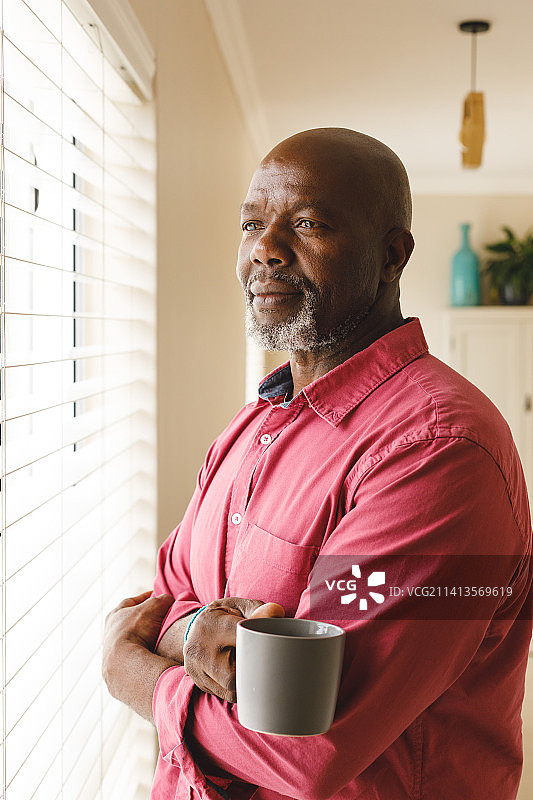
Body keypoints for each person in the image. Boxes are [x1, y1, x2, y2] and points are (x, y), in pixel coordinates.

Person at [102, 128, 533, 800]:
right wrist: (194, 633)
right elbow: (160, 598)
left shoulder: (440, 452)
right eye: (252, 224)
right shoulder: (253, 425)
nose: (265, 249)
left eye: (307, 224)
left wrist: (133, 671)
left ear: (392, 254)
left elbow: (304, 747)